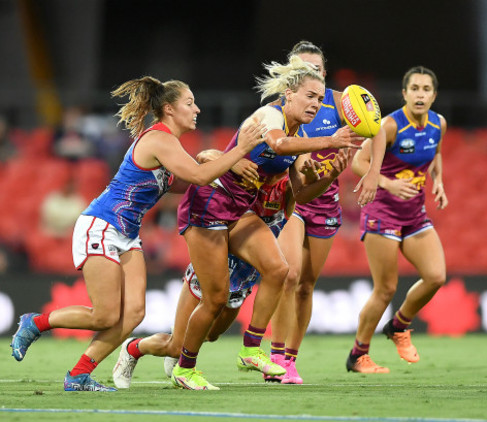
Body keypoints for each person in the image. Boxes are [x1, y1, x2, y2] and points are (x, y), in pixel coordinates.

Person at [9, 76, 265, 391]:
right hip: (102, 225)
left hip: (126, 233)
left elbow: (192, 176)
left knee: (132, 315)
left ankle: (78, 375)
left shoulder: (170, 144)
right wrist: (240, 150)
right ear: (169, 109)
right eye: (189, 103)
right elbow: (199, 177)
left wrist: (219, 160)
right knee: (104, 316)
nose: (197, 109)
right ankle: (34, 323)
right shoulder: (160, 139)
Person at [169, 55, 365, 390]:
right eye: (310, 96)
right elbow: (277, 144)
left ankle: (250, 349)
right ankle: (176, 364)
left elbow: (299, 194)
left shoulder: (298, 132)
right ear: (289, 93)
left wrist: (330, 173)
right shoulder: (269, 114)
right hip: (211, 205)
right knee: (214, 302)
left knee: (279, 271)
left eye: (320, 99)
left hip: (245, 211)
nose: (317, 104)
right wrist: (331, 140)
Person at [265, 41, 387, 384]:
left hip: (326, 202)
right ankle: (275, 355)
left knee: (306, 285)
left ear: (324, 71)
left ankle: (290, 359)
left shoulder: (341, 102)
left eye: (316, 69)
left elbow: (376, 129)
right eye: (303, 69)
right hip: (291, 198)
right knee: (289, 275)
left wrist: (374, 171)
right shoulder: (280, 109)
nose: (311, 75)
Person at [112, 171, 295, 389]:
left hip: (242, 282)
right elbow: (211, 159)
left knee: (213, 335)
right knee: (176, 346)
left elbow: (305, 190)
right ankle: (133, 348)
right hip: (210, 272)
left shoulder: (289, 190)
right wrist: (212, 155)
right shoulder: (246, 181)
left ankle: (181, 350)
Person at [346, 66, 448, 373]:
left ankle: (399, 325)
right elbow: (358, 162)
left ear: (433, 95)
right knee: (386, 289)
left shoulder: (438, 124)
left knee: (436, 276)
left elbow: (436, 153)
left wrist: (439, 181)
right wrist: (388, 183)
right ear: (404, 94)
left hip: (414, 213)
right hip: (383, 212)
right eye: (414, 88)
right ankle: (358, 355)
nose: (420, 94)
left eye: (426, 89)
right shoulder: (389, 126)